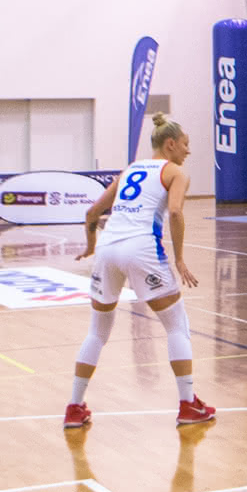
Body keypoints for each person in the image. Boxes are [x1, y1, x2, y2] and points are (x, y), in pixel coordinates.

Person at [66, 113, 213, 428]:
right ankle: (188, 403)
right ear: (170, 144)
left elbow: (92, 212)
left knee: (97, 332)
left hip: (108, 248)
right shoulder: (174, 172)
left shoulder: (129, 169)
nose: (188, 152)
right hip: (141, 247)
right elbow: (174, 211)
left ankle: (74, 407)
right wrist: (181, 259)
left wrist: (92, 246)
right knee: (176, 326)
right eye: (186, 145)